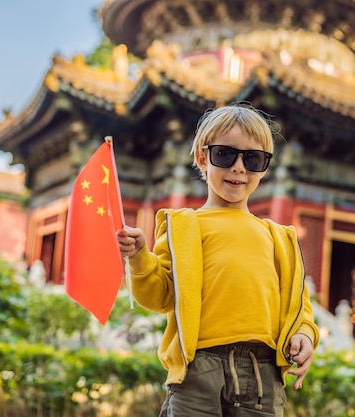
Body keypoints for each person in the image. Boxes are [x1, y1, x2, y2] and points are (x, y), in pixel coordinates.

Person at [117, 103, 319, 417]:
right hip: (199, 367)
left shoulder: (280, 237)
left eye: (253, 159)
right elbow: (160, 296)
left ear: (264, 168)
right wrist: (140, 258)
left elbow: (298, 307)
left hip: (263, 373)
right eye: (225, 155)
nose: (239, 167)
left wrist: (304, 334)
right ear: (202, 157)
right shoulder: (184, 226)